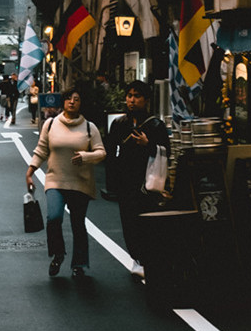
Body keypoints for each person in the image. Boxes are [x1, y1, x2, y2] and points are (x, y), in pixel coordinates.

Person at [26, 86, 106, 278]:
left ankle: (78, 265)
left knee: (78, 223)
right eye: (68, 98)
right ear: (63, 102)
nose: (72, 102)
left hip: (80, 183)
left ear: (81, 103)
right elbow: (42, 149)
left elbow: (101, 152)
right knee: (54, 218)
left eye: (76, 99)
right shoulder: (51, 124)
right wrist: (30, 171)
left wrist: (86, 156)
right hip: (55, 180)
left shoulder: (89, 127)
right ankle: (58, 254)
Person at [104, 79, 170, 279]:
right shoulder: (119, 124)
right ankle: (137, 258)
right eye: (129, 96)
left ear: (146, 100)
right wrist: (112, 183)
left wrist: (148, 144)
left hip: (147, 182)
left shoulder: (156, 125)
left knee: (146, 222)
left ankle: (148, 258)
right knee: (129, 222)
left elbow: (167, 152)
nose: (132, 100)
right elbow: (110, 152)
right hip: (126, 182)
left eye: (137, 96)